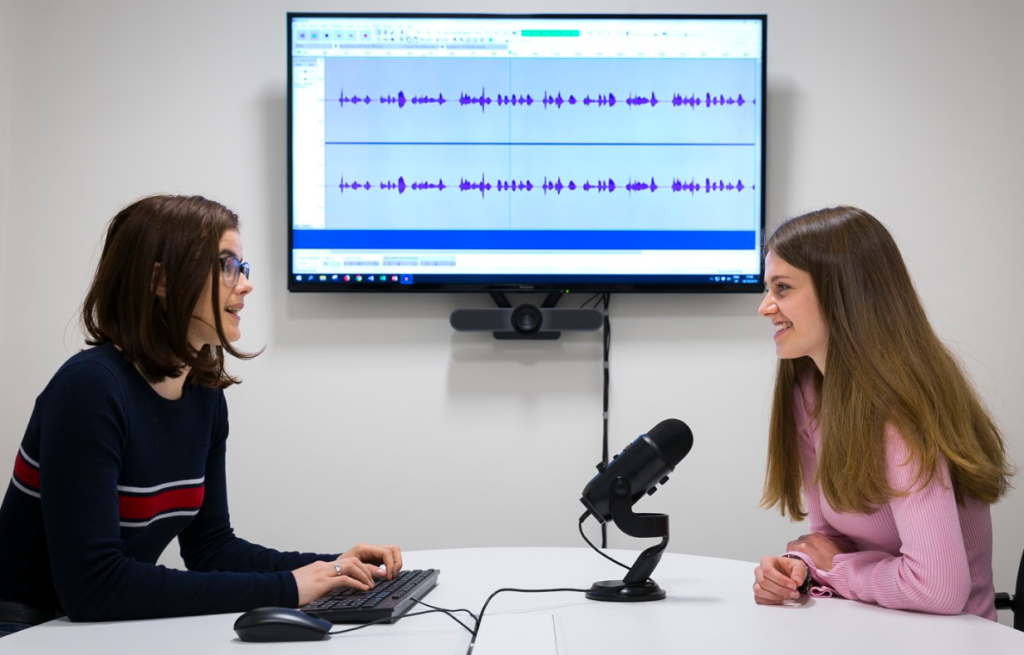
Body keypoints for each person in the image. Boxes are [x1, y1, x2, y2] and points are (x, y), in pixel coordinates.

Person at [0, 195, 402, 636]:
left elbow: (211, 548)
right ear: (162, 281)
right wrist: (286, 588)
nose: (244, 285)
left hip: (87, 629)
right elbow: (93, 586)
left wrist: (331, 568)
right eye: (226, 265)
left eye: (242, 268)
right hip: (25, 628)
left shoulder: (203, 394)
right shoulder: (90, 389)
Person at [752, 206, 1012, 619]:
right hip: (880, 626)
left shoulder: (901, 410)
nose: (766, 307)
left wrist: (832, 568)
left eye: (782, 288)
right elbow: (831, 539)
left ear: (843, 293)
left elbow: (938, 590)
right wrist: (801, 568)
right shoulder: (807, 393)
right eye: (767, 289)